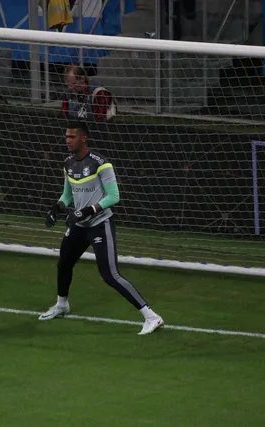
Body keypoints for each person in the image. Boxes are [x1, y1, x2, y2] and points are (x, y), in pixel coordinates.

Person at [41, 121, 164, 335]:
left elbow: (114, 197)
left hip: (100, 224)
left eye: (71, 137)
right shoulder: (68, 163)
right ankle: (62, 305)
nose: (67, 140)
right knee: (64, 264)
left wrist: (88, 210)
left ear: (83, 138)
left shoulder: (101, 164)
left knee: (110, 274)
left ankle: (152, 316)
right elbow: (67, 195)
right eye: (66, 136)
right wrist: (56, 208)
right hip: (79, 225)